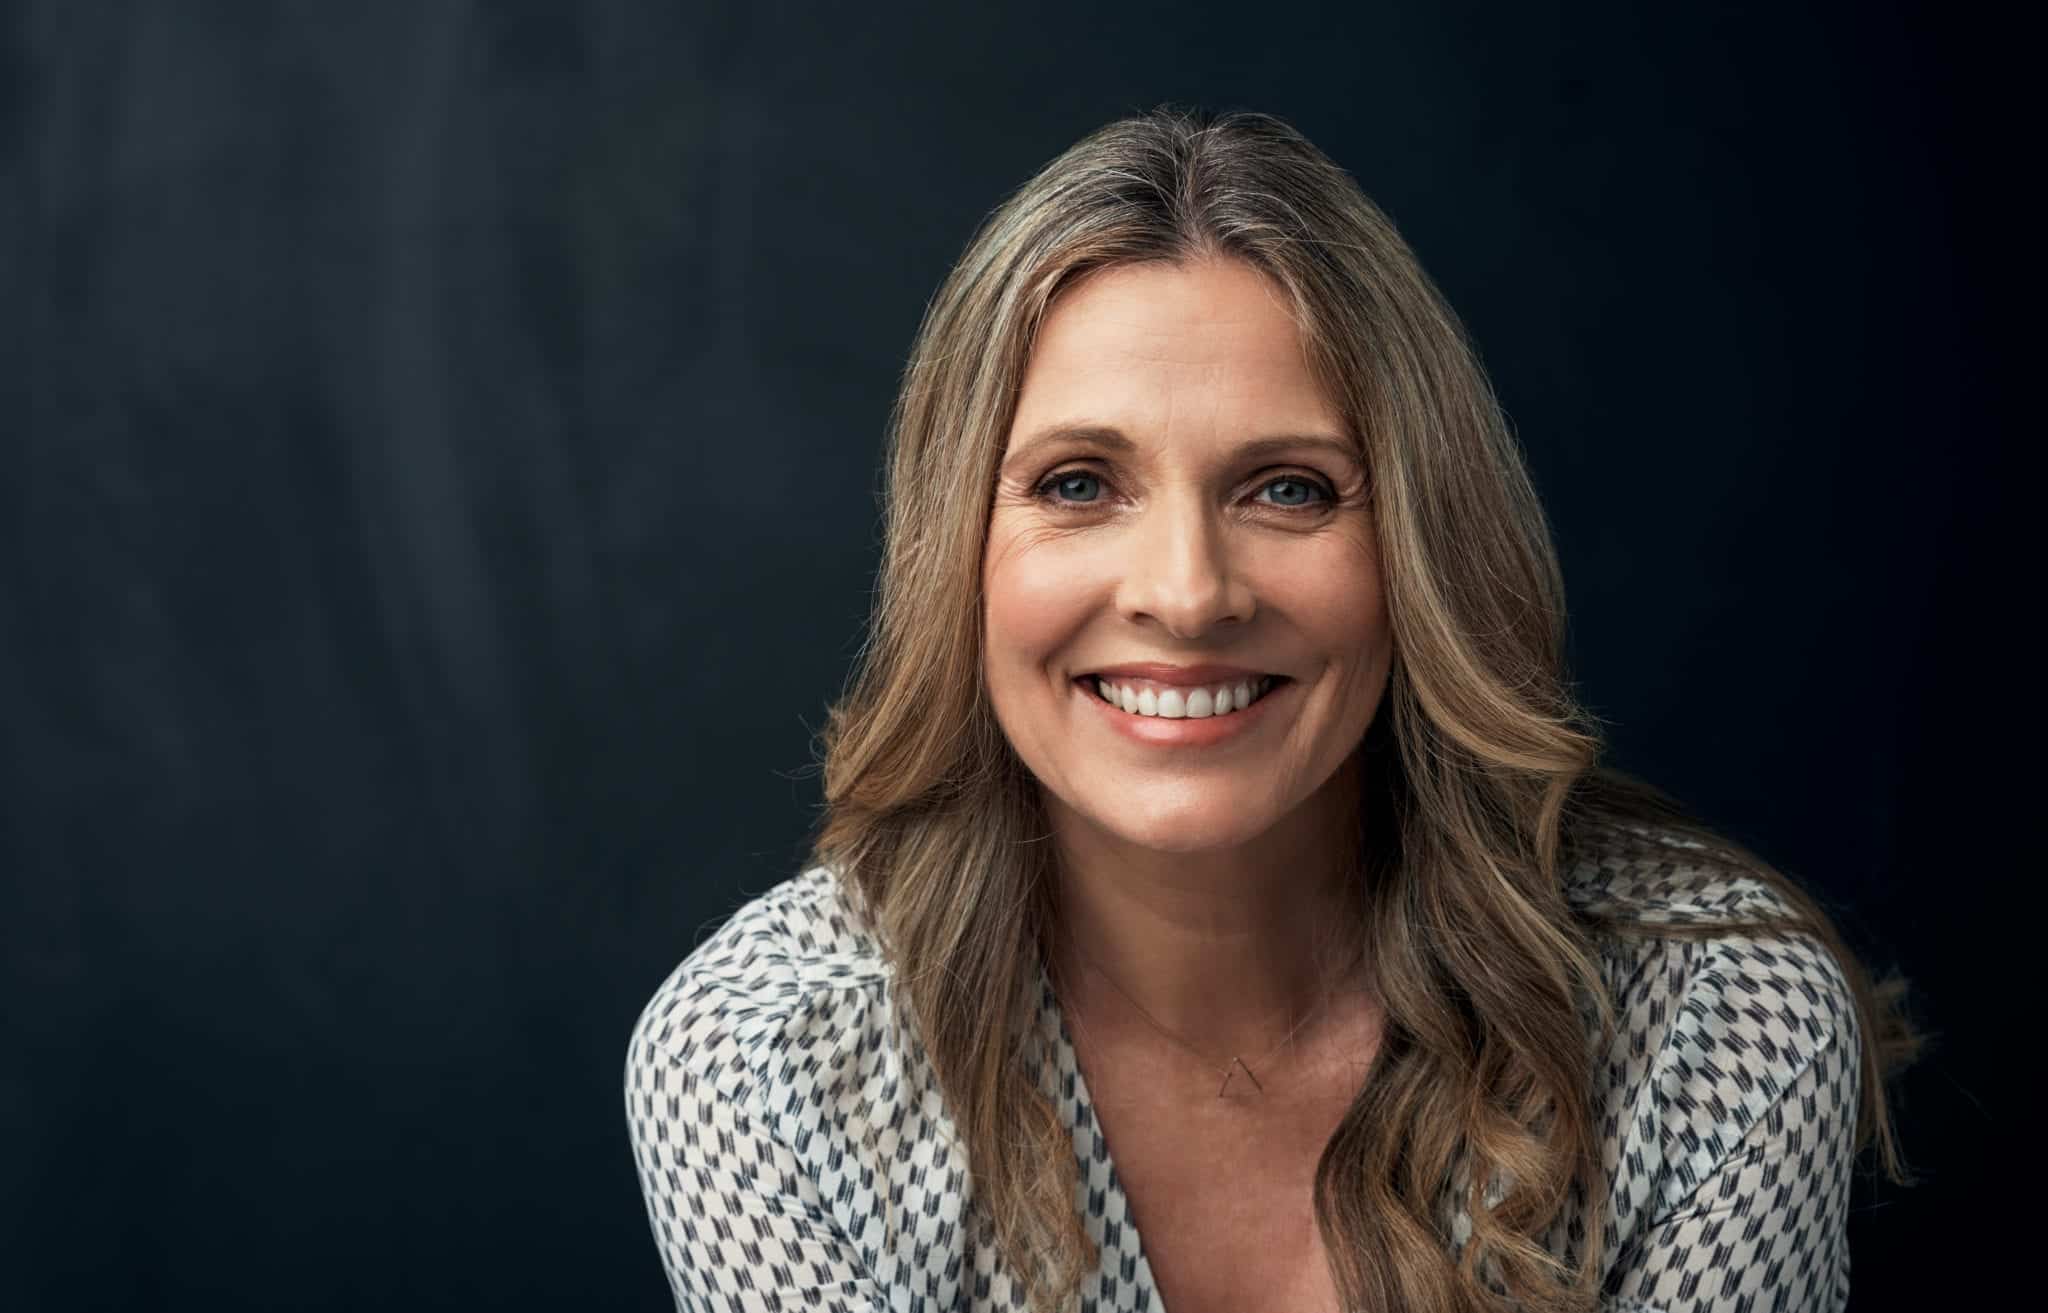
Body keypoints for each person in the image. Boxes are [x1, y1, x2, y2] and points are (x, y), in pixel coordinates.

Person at [623, 105, 1921, 1313]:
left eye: (1289, 489)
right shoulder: (762, 1068)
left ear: (1421, 544)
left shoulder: (1717, 1028)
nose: (1187, 593)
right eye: (1079, 483)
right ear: (951, 547)